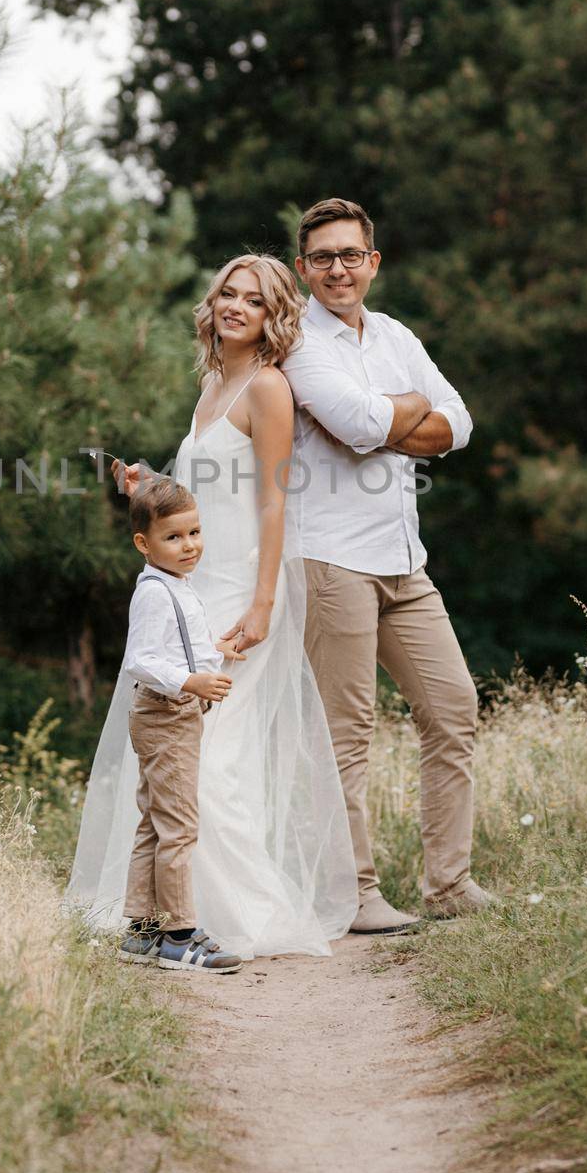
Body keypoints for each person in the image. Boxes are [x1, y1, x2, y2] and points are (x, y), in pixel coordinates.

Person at [67, 255, 357, 959]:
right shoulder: (213, 382)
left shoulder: (268, 388)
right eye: (227, 293)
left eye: (252, 301)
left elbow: (272, 498)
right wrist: (151, 483)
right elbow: (212, 489)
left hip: (240, 592)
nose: (234, 306)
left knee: (211, 753)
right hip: (190, 590)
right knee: (173, 751)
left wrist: (262, 604)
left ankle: (224, 916)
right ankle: (161, 913)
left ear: (271, 318)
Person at [281, 196, 494, 924]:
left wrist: (384, 420)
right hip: (331, 558)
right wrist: (397, 415)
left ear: (373, 261)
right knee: (347, 733)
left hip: (405, 559)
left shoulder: (397, 335)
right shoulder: (296, 343)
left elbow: (457, 423)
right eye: (321, 258)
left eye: (350, 255)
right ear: (302, 269)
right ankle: (354, 894)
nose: (337, 269)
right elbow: (354, 422)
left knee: (453, 707)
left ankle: (449, 886)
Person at [117, 477, 244, 974]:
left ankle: (143, 929)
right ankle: (177, 935)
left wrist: (216, 654)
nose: (189, 545)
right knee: (178, 827)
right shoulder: (153, 593)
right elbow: (142, 660)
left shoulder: (174, 585)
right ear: (144, 545)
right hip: (165, 715)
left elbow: (178, 647)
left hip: (172, 715)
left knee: (156, 821)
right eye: (174, 538)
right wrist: (192, 681)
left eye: (193, 532)